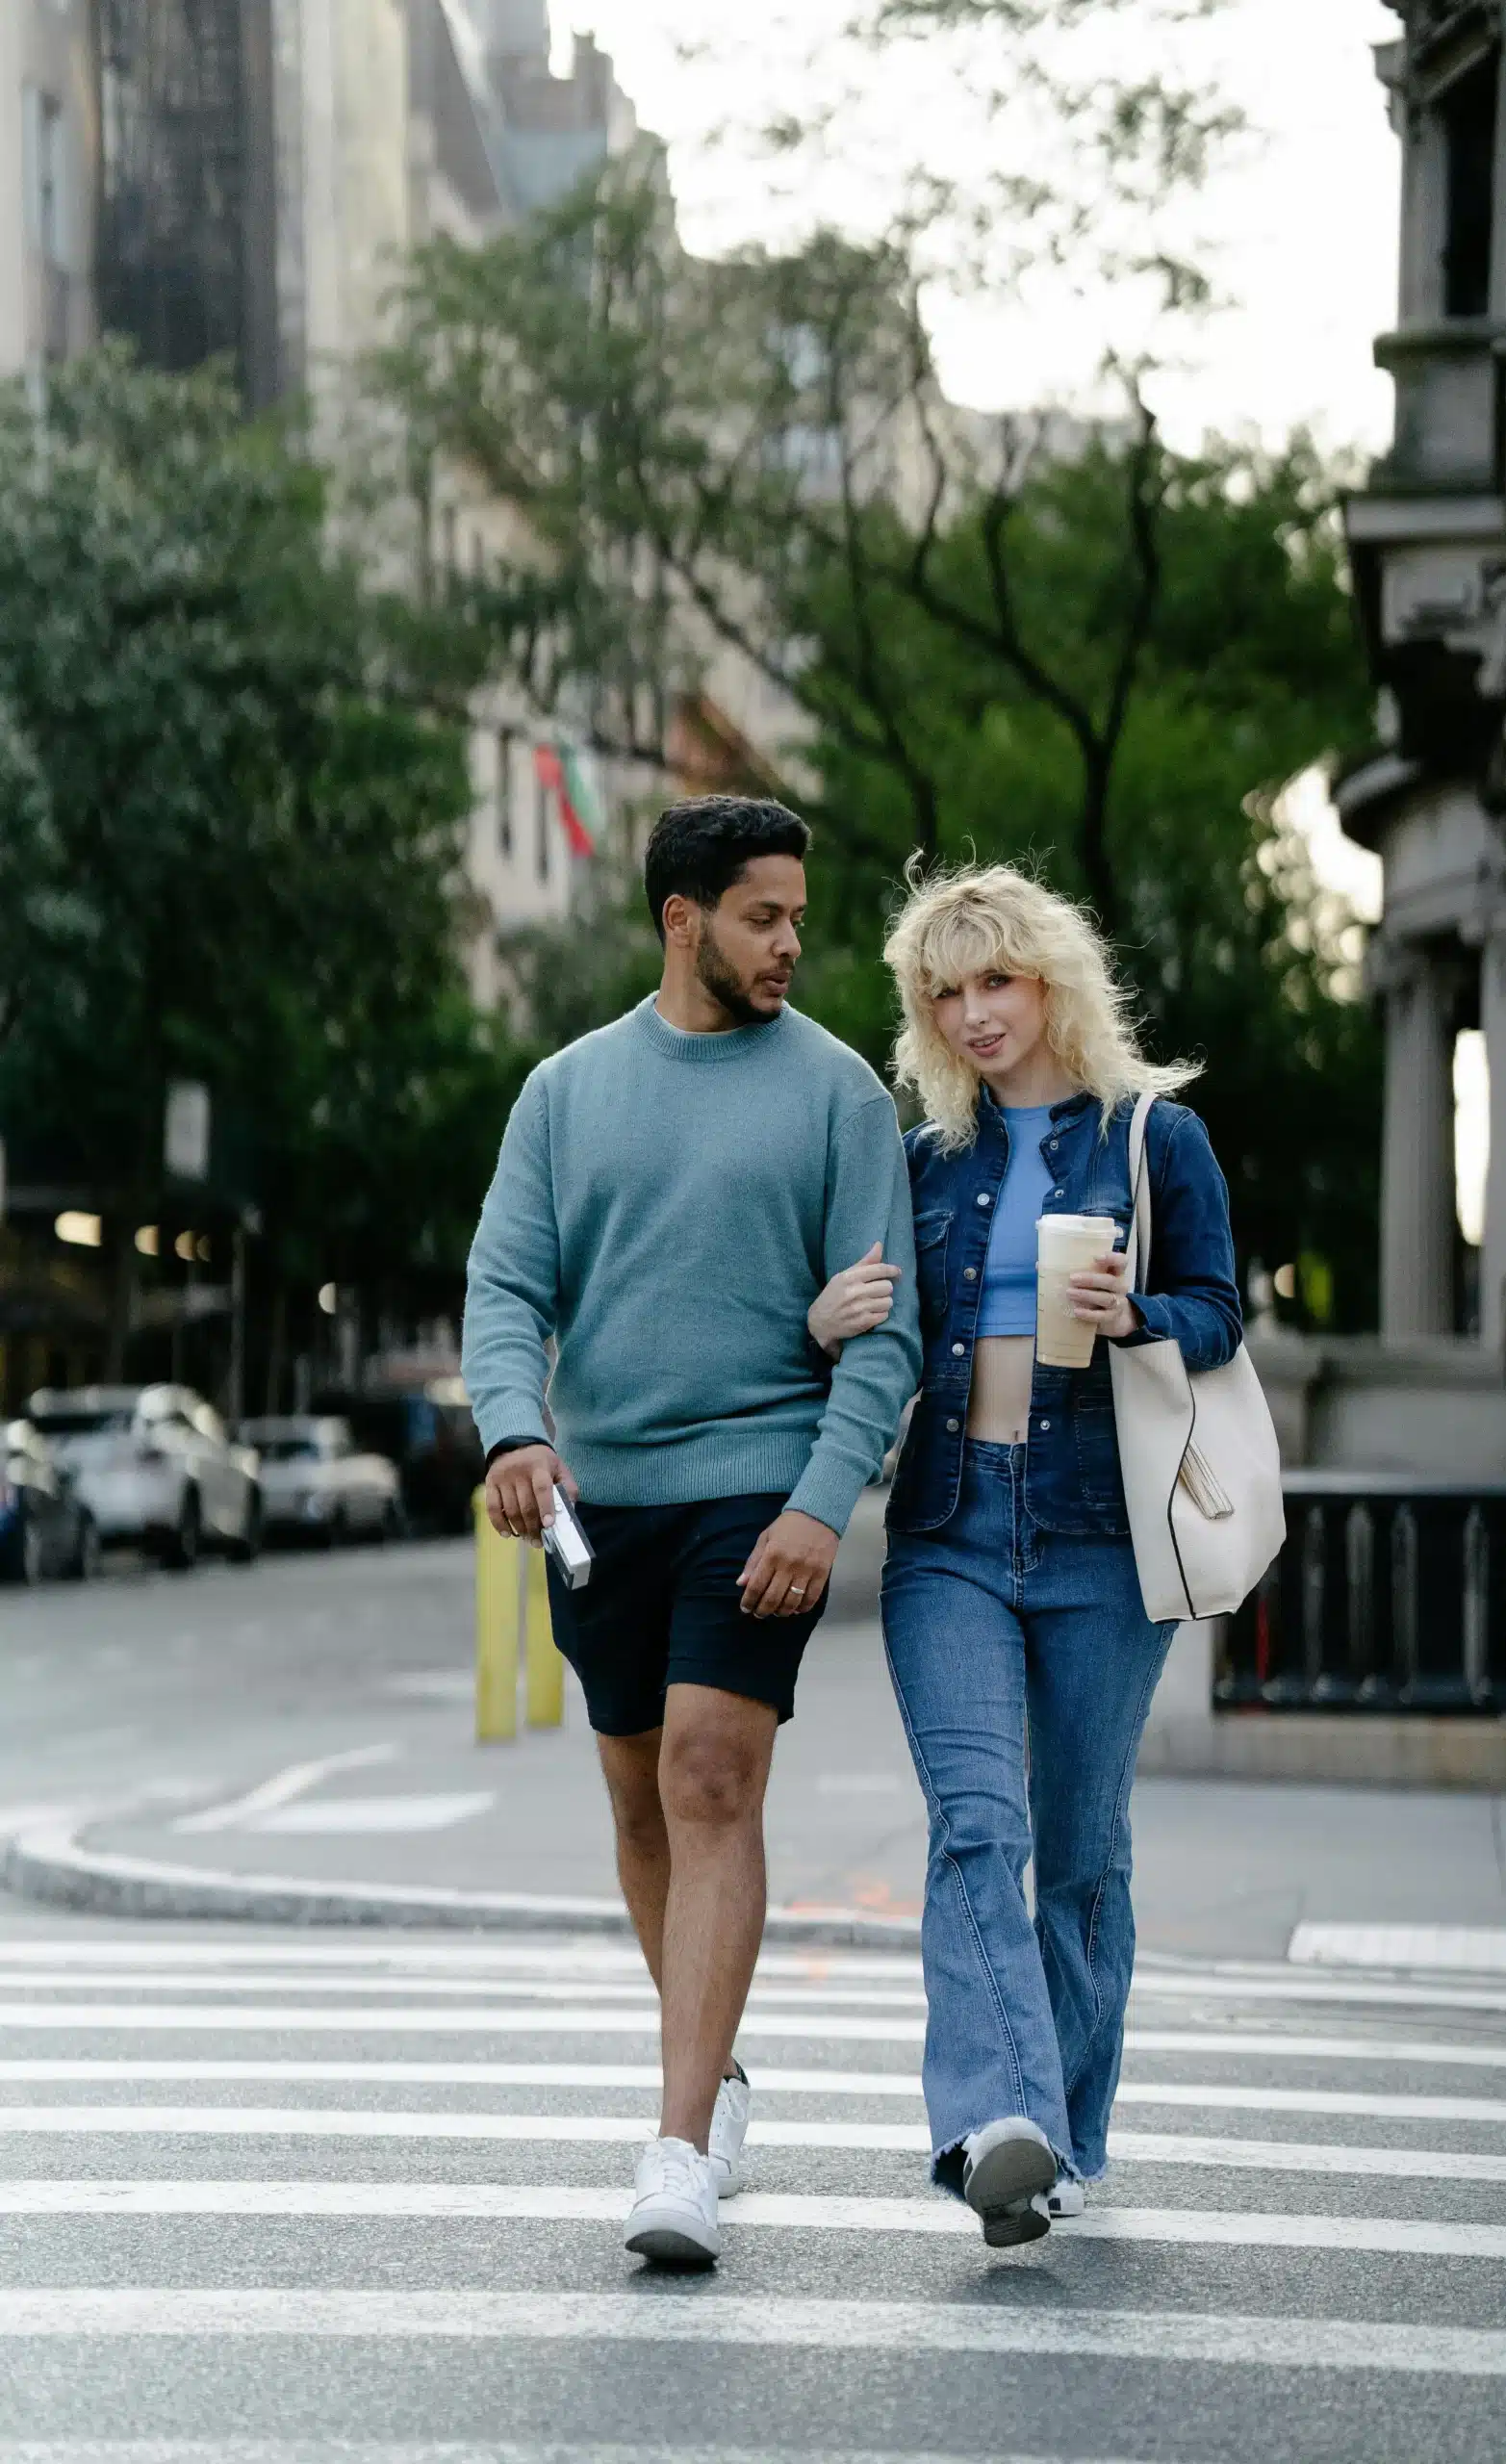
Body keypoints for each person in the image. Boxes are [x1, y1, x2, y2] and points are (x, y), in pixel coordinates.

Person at [463, 794, 921, 2269]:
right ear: (682, 919)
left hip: (754, 1490)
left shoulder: (841, 1095)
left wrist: (814, 1501)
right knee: (642, 1803)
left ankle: (674, 2154)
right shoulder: (565, 1092)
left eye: (798, 913)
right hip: (606, 1502)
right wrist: (515, 1430)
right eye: (762, 916)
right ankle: (713, 2075)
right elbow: (505, 1290)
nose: (792, 940)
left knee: (716, 1778)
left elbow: (885, 1339)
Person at [808, 864, 1241, 2246]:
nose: (972, 1013)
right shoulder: (924, 1161)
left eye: (994, 980)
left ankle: (1064, 2133)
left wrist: (1138, 1315)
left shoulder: (1151, 1142)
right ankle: (999, 2125)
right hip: (947, 1531)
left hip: (1100, 1538)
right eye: (944, 993)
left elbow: (1221, 1318)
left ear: (1051, 980)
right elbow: (876, 1338)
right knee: (975, 1829)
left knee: (1077, 1856)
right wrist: (824, 1319)